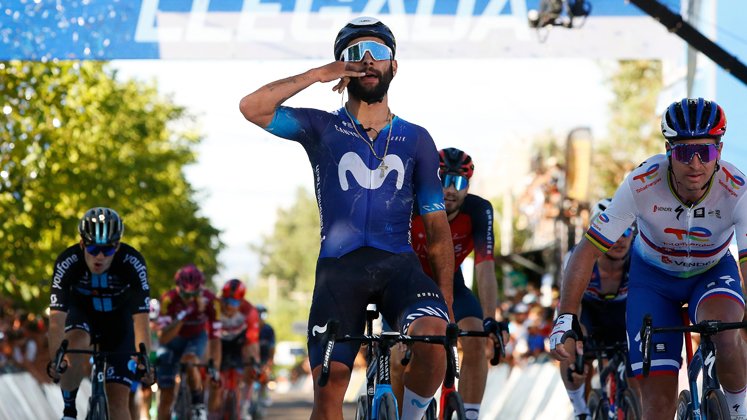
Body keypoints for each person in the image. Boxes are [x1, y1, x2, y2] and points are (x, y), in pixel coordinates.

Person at [238, 16, 455, 420]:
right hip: (340, 270)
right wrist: (319, 74)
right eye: (357, 54)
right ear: (343, 65)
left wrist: (447, 301)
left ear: (395, 65)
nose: (369, 61)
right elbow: (252, 107)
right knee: (329, 387)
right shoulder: (322, 127)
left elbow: (437, 230)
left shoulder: (417, 138)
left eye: (380, 54)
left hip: (399, 266)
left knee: (433, 338)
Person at [550, 98, 747, 420]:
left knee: (727, 332)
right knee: (655, 407)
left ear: (720, 151)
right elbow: (587, 250)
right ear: (669, 151)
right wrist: (565, 318)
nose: (696, 164)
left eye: (706, 152)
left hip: (711, 272)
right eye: (685, 153)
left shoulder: (738, 189)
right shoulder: (641, 184)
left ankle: (740, 412)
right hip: (652, 281)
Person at [404, 147, 506, 420]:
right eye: (443, 180)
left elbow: (485, 266)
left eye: (459, 183)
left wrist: (490, 319)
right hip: (409, 282)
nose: (450, 189)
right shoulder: (410, 203)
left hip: (451, 282)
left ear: (468, 187)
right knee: (398, 352)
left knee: (476, 339)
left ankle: (469, 415)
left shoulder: (479, 210)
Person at [47, 207, 153, 420]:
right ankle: (69, 410)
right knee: (75, 342)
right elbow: (56, 320)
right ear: (82, 244)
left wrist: (146, 361)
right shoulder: (67, 262)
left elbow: (141, 320)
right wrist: (55, 360)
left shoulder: (133, 262)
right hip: (82, 316)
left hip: (119, 324)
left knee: (118, 403)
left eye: (108, 250)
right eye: (93, 248)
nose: (100, 256)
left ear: (118, 246)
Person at [558, 198, 637, 419]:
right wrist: (573, 340)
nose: (621, 239)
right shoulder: (578, 258)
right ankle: (580, 409)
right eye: (614, 232)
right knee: (568, 343)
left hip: (623, 314)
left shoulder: (639, 256)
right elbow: (569, 308)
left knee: (636, 384)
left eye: (627, 231)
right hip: (588, 313)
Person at [156, 264, 222, 420]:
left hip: (196, 338)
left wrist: (216, 369)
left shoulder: (212, 301)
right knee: (166, 396)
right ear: (177, 288)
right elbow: (164, 337)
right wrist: (186, 313)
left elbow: (215, 339)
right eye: (185, 295)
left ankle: (198, 405)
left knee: (190, 361)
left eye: (194, 294)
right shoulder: (168, 299)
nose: (190, 298)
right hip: (171, 341)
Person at [207, 279, 260, 419]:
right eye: (227, 301)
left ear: (241, 301)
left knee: (252, 366)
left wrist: (255, 362)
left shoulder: (249, 311)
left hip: (238, 343)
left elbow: (252, 342)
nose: (230, 306)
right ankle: (209, 408)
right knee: (213, 374)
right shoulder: (214, 306)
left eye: (235, 302)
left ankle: (244, 405)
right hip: (218, 341)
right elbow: (209, 338)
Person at [256, 304, 276, 407]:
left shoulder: (268, 329)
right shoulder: (250, 327)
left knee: (264, 376)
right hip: (252, 355)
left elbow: (272, 346)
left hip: (264, 355)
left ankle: (263, 394)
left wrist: (270, 360)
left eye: (262, 315)